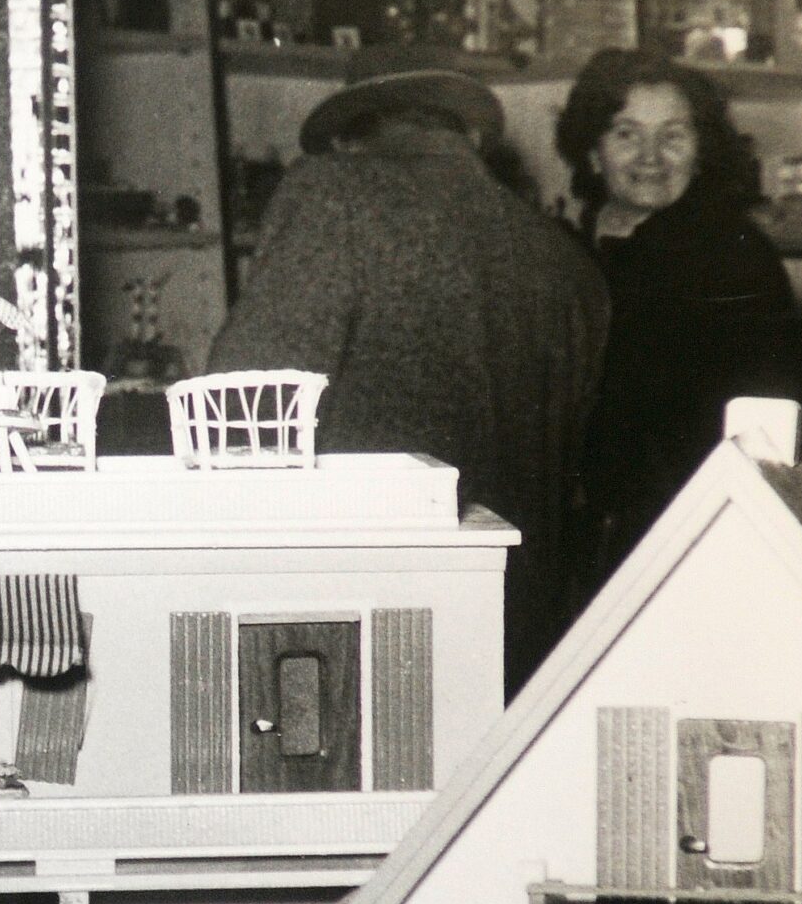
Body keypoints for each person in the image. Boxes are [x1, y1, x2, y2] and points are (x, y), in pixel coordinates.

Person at [205, 46, 608, 689]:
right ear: (471, 138)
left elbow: (241, 406)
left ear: (345, 140)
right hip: (521, 632)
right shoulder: (563, 258)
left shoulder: (332, 192)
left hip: (364, 622)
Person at [554, 48, 802, 595]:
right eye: (625, 133)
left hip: (691, 545)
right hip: (590, 545)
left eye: (673, 136)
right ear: (592, 152)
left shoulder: (733, 256)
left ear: (701, 151)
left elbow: (763, 430)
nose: (651, 157)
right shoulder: (572, 248)